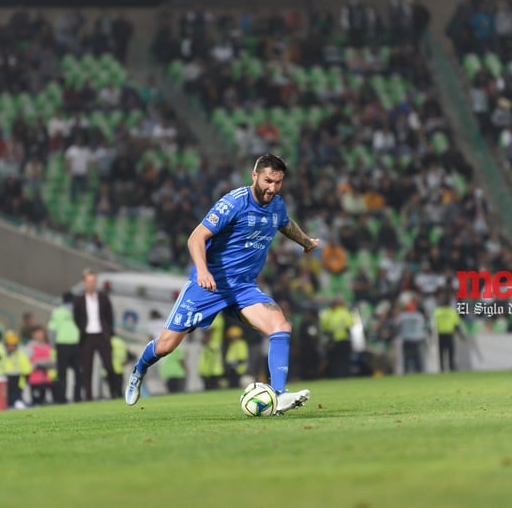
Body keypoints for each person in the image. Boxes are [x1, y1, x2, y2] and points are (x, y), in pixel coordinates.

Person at [125, 154, 318, 414]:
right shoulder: (234, 202)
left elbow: (284, 223)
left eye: (278, 182)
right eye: (268, 181)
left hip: (243, 288)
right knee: (165, 346)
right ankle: (139, 370)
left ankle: (280, 394)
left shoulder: (277, 205)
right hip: (208, 286)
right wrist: (203, 271)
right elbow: (196, 237)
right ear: (255, 175)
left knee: (280, 325)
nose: (272, 188)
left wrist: (305, 241)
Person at [72, 269, 121, 400]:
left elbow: (109, 316)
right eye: (89, 281)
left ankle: (114, 393)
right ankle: (88, 397)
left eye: (93, 281)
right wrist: (82, 328)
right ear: (84, 283)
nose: (91, 284)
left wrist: (108, 332)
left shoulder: (103, 297)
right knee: (87, 369)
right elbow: (76, 317)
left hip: (102, 335)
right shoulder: (78, 299)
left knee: (109, 366)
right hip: (87, 336)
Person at [47, 291, 81, 403]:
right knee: (77, 373)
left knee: (63, 373)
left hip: (63, 345)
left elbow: (51, 329)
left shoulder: (57, 312)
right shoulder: (75, 311)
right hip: (72, 345)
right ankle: (76, 397)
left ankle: (63, 398)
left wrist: (53, 345)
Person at [319, 296, 354, 378]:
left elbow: (325, 328)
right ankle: (345, 376)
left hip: (333, 341)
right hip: (344, 340)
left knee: (334, 361)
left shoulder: (328, 313)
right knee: (344, 361)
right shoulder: (345, 312)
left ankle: (335, 376)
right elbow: (349, 326)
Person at [395, 293, 429, 374]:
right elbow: (424, 327)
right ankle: (420, 375)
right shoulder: (419, 316)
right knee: (418, 361)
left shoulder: (402, 316)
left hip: (407, 340)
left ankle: (406, 375)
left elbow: (396, 326)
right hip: (417, 339)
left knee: (407, 360)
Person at [434, 289, 464, 372]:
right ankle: (451, 367)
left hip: (440, 334)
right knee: (451, 352)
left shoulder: (437, 311)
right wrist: (461, 335)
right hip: (449, 334)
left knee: (441, 353)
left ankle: (442, 368)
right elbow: (456, 325)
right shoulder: (452, 312)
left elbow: (434, 323)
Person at [2, 330, 32, 409]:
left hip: (17, 382)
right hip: (6, 382)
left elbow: (27, 370)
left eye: (13, 345)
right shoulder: (3, 354)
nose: (11, 347)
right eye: (9, 345)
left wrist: (22, 381)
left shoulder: (20, 355)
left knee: (16, 400)